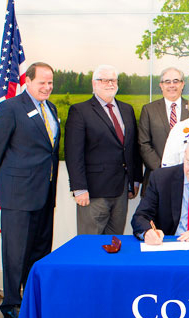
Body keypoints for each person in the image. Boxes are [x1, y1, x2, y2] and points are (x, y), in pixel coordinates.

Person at [0, 62, 60, 318]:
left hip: (44, 194)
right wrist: (4, 183)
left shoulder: (51, 108)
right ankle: (11, 304)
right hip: (17, 195)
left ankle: (32, 298)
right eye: (42, 82)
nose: (47, 87)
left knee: (39, 251)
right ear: (27, 81)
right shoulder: (10, 108)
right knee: (15, 253)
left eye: (50, 83)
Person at [64, 64, 142, 235]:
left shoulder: (126, 110)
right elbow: (73, 153)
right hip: (93, 192)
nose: (110, 84)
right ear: (94, 84)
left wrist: (135, 180)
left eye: (113, 80)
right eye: (104, 80)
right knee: (90, 244)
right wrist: (79, 189)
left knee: (114, 242)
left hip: (121, 190)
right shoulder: (80, 111)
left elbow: (132, 148)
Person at [138, 67, 189, 194]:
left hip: (188, 179)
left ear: (182, 84)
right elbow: (143, 144)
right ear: (161, 85)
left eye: (176, 81)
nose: (172, 85)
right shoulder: (149, 110)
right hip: (156, 177)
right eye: (167, 82)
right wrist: (163, 169)